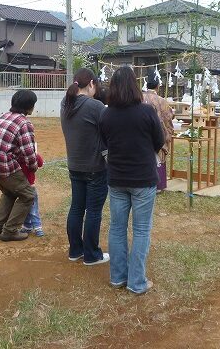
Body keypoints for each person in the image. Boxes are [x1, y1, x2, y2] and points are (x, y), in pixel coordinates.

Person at [100, 66, 164, 294]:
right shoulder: (146, 112)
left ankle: (118, 277)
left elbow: (105, 143)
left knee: (117, 228)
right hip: (143, 178)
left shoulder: (106, 114)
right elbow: (159, 140)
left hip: (116, 178)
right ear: (134, 85)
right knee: (141, 230)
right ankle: (137, 282)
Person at [61, 68, 109, 265]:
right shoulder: (95, 106)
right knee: (94, 211)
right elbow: (109, 131)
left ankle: (75, 250)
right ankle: (92, 254)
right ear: (91, 83)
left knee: (77, 208)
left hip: (74, 165)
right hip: (95, 167)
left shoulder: (65, 103)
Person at [0, 90, 38, 242]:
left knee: (9, 193)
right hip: (4, 166)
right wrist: (33, 167)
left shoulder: (3, 116)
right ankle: (10, 231)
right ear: (30, 106)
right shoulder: (24, 123)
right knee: (28, 195)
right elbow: (28, 151)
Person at [142, 70, 174, 191]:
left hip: (142, 133)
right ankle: (158, 185)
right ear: (158, 86)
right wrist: (168, 132)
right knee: (159, 155)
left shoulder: (139, 97)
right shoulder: (161, 100)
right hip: (157, 133)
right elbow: (167, 118)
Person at [19, 151, 45, 237]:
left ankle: (35, 227)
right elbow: (41, 163)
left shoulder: (16, 156)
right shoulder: (34, 155)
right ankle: (31, 226)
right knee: (31, 208)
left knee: (28, 207)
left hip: (22, 187)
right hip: (29, 187)